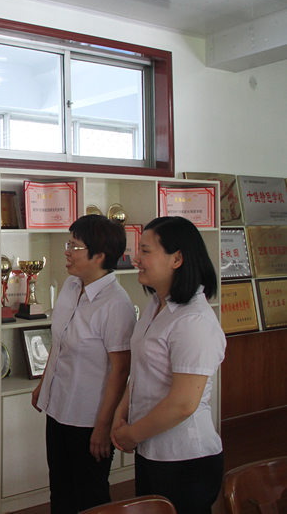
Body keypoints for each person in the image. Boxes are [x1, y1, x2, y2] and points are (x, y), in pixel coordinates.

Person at [111, 216, 225, 514]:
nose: (136, 259)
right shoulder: (156, 306)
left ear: (177, 259)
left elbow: (183, 403)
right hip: (151, 448)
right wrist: (121, 414)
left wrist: (132, 434)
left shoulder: (194, 321)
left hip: (185, 456)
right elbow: (141, 373)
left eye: (146, 251)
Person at [31, 214, 136, 514]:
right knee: (60, 489)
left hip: (88, 418)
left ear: (99, 256)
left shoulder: (116, 305)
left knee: (90, 496)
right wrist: (43, 386)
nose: (67, 251)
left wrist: (104, 426)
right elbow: (59, 341)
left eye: (74, 246)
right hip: (58, 407)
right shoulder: (70, 285)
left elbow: (121, 370)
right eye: (69, 244)